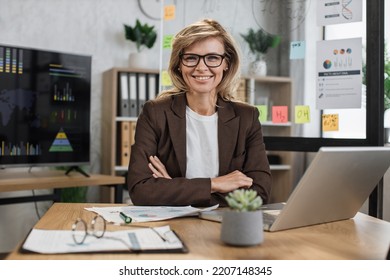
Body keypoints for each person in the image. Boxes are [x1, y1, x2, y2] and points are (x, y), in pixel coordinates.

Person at [127, 19, 272, 207]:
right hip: (172, 226)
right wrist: (215, 184)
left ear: (226, 63)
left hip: (226, 226)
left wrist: (173, 188)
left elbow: (260, 193)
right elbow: (141, 191)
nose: (201, 67)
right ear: (179, 64)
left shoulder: (247, 117)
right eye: (191, 58)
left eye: (212, 58)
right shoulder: (155, 113)